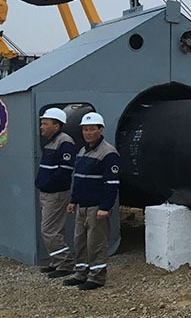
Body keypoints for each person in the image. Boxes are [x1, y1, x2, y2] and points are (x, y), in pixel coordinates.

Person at [62, 112, 120, 291]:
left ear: (100, 130)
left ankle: (96, 277)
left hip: (96, 207)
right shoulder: (82, 150)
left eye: (92, 129)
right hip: (81, 205)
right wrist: (73, 200)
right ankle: (81, 272)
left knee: (96, 242)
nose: (88, 133)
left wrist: (105, 207)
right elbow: (78, 178)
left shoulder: (108, 153)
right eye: (85, 129)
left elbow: (111, 183)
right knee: (79, 241)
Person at [34, 107, 77, 278]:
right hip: (47, 192)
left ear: (57, 126)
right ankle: (56, 261)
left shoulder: (65, 142)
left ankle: (65, 263)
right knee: (55, 229)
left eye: (45, 123)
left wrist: (49, 183)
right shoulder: (52, 141)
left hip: (56, 194)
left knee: (49, 230)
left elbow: (65, 170)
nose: (41, 127)